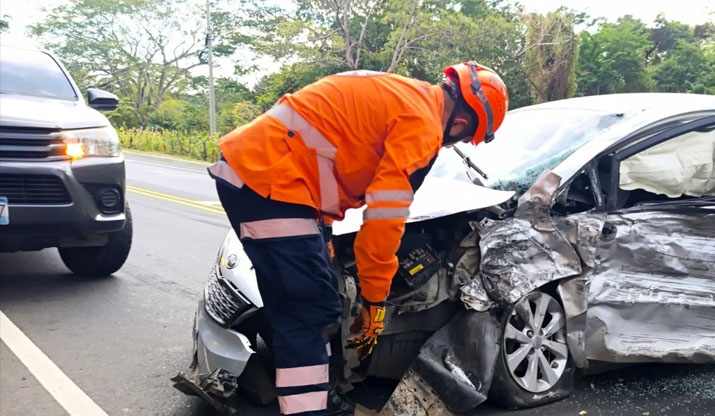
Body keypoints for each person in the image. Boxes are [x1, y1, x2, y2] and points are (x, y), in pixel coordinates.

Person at [207, 63, 508, 415]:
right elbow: (383, 222)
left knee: (303, 304)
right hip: (271, 185)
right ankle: (309, 410)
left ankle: (317, 396)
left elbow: (326, 148)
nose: (452, 143)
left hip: (264, 177)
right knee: (310, 311)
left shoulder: (404, 94)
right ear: (460, 123)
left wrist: (324, 235)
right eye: (461, 139)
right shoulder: (422, 127)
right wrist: (375, 299)